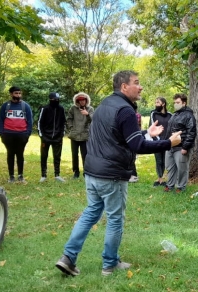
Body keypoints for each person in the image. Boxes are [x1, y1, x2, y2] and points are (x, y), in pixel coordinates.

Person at [55, 70, 182, 277]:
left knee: (90, 213)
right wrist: (169, 142)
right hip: (111, 175)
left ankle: (68, 258)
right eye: (137, 83)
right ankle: (110, 264)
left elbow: (120, 137)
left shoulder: (105, 104)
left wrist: (147, 133)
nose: (140, 87)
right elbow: (137, 146)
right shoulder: (125, 110)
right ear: (124, 87)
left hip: (92, 172)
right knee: (115, 219)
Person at [0, 86, 33, 183]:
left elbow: (30, 120)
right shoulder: (5, 106)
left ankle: (21, 176)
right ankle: (11, 176)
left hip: (22, 134)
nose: (18, 95)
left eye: (19, 93)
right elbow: (0, 120)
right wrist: (1, 133)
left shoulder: (25, 106)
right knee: (10, 154)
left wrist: (28, 133)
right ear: (11, 94)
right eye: (16, 93)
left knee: (20, 155)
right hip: (8, 134)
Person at [164, 94, 196, 193]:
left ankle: (181, 187)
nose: (175, 104)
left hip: (181, 147)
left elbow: (191, 132)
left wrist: (185, 147)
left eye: (177, 102)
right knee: (170, 167)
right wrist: (166, 143)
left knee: (182, 168)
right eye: (174, 103)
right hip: (171, 146)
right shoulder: (174, 115)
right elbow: (169, 130)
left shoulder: (189, 115)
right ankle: (170, 185)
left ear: (184, 103)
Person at [38, 92, 67, 182]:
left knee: (57, 156)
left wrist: (61, 134)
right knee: (44, 156)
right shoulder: (45, 109)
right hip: (46, 137)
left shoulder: (61, 109)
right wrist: (42, 136)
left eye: (58, 99)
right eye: (54, 99)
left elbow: (63, 122)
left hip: (58, 137)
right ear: (50, 99)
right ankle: (43, 175)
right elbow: (39, 123)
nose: (56, 101)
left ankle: (57, 174)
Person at [67, 92, 94, 179]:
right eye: (80, 100)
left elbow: (93, 120)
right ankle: (76, 172)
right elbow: (69, 119)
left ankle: (86, 172)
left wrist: (87, 114)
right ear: (77, 101)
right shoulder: (73, 109)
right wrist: (71, 127)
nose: (82, 102)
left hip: (85, 135)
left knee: (85, 155)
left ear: (86, 101)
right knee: (74, 154)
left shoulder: (90, 109)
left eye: (83, 100)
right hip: (74, 135)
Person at [150, 97, 172, 187]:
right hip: (157, 141)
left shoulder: (170, 115)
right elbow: (151, 127)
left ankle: (163, 177)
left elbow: (171, 127)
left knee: (165, 161)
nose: (156, 104)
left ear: (163, 104)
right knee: (158, 160)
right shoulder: (153, 114)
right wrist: (156, 139)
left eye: (158, 102)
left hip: (167, 141)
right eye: (155, 102)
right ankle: (159, 178)